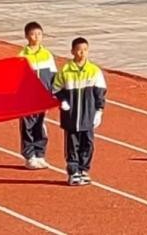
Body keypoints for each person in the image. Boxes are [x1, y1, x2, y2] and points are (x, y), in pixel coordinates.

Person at [51, 37, 106, 186]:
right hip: (71, 117)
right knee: (72, 145)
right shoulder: (65, 70)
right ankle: (73, 171)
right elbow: (55, 88)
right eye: (79, 50)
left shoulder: (94, 71)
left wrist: (99, 110)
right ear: (72, 51)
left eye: (85, 50)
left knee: (87, 143)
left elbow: (100, 92)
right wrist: (62, 100)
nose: (82, 53)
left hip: (88, 116)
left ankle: (83, 170)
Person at [18, 22, 57, 170]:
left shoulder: (47, 54)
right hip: (28, 98)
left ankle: (40, 154)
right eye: (33, 34)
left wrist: (53, 92)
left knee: (40, 125)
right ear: (27, 36)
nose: (36, 37)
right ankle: (29, 156)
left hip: (42, 97)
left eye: (39, 34)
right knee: (28, 126)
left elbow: (53, 76)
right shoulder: (22, 56)